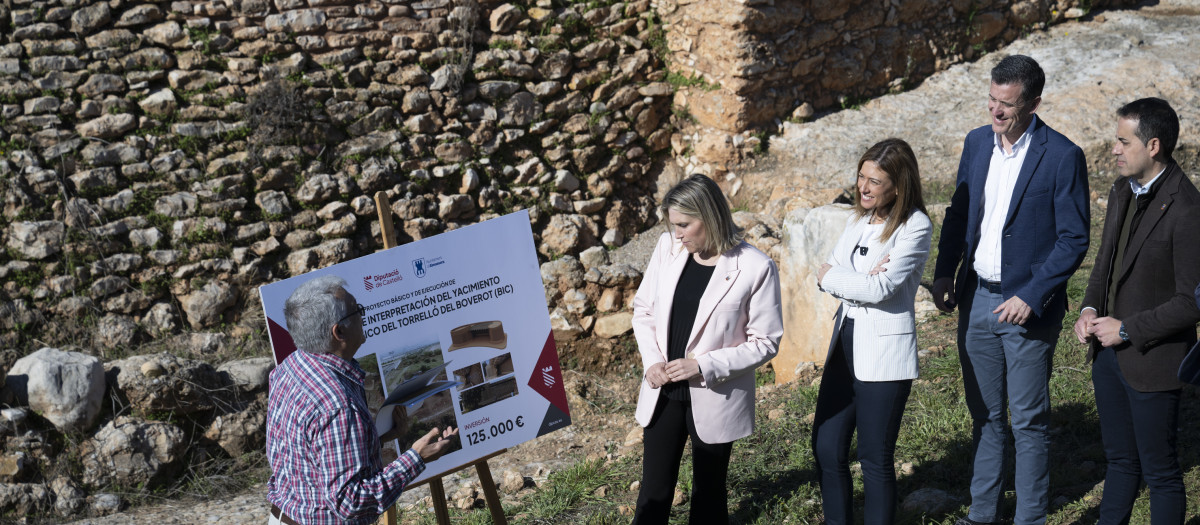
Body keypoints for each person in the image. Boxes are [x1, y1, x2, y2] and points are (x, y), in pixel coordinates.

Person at [931, 54, 1090, 525]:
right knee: (984, 416)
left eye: (1008, 105)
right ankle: (981, 516)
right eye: (992, 100)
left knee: (1029, 421)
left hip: (1026, 306)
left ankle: (1030, 519)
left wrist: (1033, 294)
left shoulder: (1062, 155)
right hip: (977, 296)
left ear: (1034, 103)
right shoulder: (977, 142)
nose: (996, 112)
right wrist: (944, 272)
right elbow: (959, 214)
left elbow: (1074, 238)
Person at [1073, 98, 1200, 525]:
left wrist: (1127, 329)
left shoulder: (1187, 208)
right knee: (1120, 462)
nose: (1114, 149)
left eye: (1123, 141)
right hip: (1108, 358)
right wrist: (1089, 308)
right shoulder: (1121, 190)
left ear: (1153, 145)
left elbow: (1191, 302)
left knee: (1160, 473)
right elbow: (1105, 264)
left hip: (1153, 361)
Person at [630, 174, 784, 524]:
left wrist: (702, 365)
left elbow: (766, 341)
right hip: (664, 391)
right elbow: (644, 311)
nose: (677, 233)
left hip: (716, 395)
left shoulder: (756, 268)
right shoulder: (667, 248)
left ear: (709, 216)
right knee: (653, 491)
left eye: (684, 225)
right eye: (674, 225)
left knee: (709, 493)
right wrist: (652, 362)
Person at [266, 275, 459, 525]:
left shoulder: (290, 367)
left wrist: (380, 438)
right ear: (339, 331)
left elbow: (312, 454)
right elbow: (350, 502)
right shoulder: (337, 403)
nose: (362, 315)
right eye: (357, 310)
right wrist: (416, 458)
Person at [813, 138, 932, 524]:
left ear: (899, 185)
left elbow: (881, 289)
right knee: (827, 448)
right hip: (844, 342)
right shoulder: (858, 220)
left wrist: (840, 277)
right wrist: (850, 278)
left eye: (875, 181)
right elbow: (824, 274)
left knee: (874, 458)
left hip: (883, 354)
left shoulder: (915, 226)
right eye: (862, 177)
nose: (863, 187)